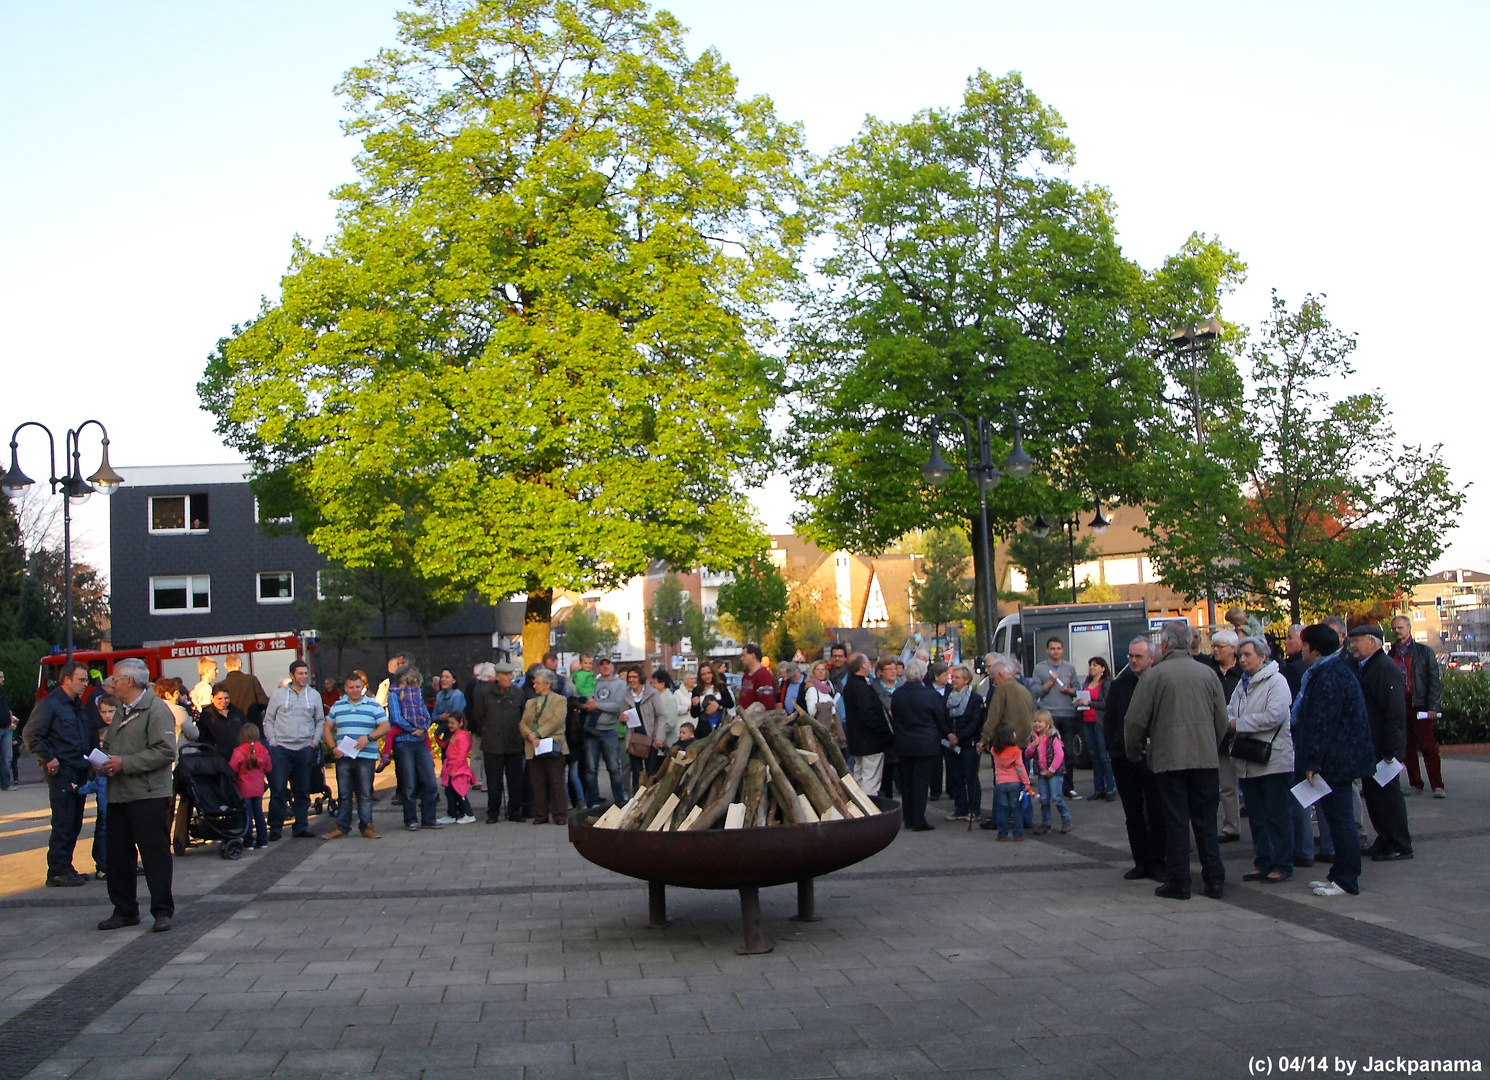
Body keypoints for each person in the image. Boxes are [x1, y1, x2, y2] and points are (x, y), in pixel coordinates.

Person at [1124, 620, 1229, 901]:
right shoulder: (1208, 674)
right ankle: (1214, 878)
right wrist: (1211, 744)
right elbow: (1222, 719)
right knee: (1206, 820)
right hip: (1205, 758)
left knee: (1176, 821)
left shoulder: (1155, 676)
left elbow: (1134, 720)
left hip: (1169, 759)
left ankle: (1179, 880)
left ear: (1166, 644)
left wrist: (1133, 749)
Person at [94, 658, 177, 932]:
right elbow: (112, 746)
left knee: (154, 854)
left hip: (148, 795)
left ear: (129, 681)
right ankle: (125, 910)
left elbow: (166, 752)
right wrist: (104, 762)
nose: (112, 685)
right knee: (117, 855)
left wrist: (124, 763)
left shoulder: (156, 709)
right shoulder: (120, 709)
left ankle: (162, 911)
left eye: (115, 680)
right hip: (118, 794)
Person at [1292, 624, 1374, 897]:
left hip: (1336, 761)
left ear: (1314, 648)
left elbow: (1323, 722)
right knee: (1337, 819)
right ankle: (1338, 873)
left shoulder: (1330, 675)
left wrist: (1313, 761)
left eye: (1304, 644)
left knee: (1341, 821)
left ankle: (1346, 878)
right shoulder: (1328, 671)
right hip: (1336, 758)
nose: (1301, 649)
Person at [1227, 637, 1295, 884]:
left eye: (1247, 654)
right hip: (1247, 759)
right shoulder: (1242, 685)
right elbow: (1230, 710)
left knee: (1277, 814)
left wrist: (1242, 725)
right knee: (1256, 816)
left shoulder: (1276, 682)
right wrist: (1234, 724)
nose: (1242, 660)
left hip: (1273, 759)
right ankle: (1263, 861)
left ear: (1263, 657)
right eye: (1240, 655)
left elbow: (1275, 715)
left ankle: (1283, 863)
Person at [25, 659, 94, 888]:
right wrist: (49, 757)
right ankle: (57, 869)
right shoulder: (51, 704)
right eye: (81, 680)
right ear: (67, 680)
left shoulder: (76, 704)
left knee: (74, 822)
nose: (86, 684)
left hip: (78, 767)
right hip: (62, 769)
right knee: (64, 821)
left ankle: (66, 865)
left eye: (86, 679)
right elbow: (32, 734)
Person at [1348, 624, 1412, 862]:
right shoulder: (1366, 667)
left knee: (1388, 795)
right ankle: (1385, 838)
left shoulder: (1383, 667)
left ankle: (1399, 842)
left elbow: (1394, 711)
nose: (1353, 646)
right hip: (1369, 744)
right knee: (1374, 796)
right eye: (1351, 640)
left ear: (1373, 642)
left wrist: (1391, 749)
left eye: (1358, 640)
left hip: (1383, 747)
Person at [1107, 638, 1166, 882]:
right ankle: (1140, 861)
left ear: (1151, 658)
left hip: (1154, 758)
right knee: (1133, 813)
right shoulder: (1120, 685)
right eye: (1130, 656)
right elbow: (1110, 720)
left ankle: (1159, 862)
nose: (1132, 660)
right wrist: (1115, 748)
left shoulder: (1160, 682)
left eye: (1138, 656)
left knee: (1157, 811)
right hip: (1125, 758)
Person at [321, 671, 389, 840]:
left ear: (363, 687)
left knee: (364, 793)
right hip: (344, 756)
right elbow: (327, 727)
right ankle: (342, 827)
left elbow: (385, 726)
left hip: (366, 756)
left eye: (358, 687)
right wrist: (332, 747)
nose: (354, 690)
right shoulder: (338, 706)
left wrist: (368, 738)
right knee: (344, 793)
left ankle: (367, 826)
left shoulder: (373, 705)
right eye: (351, 687)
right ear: (345, 688)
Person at [262, 660, 324, 841]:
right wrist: (272, 741)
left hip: (304, 746)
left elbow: (320, 719)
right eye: (300, 674)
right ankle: (275, 826)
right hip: (281, 747)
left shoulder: (313, 695)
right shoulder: (279, 695)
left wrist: (314, 741)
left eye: (306, 673)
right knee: (278, 789)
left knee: (303, 789)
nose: (304, 677)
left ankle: (301, 825)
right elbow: (268, 720)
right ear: (292, 675)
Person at [1388, 615, 1444, 798]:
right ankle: (1415, 783)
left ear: (1409, 629)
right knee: (1408, 747)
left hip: (1420, 703)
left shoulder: (1423, 652)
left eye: (1400, 628)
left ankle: (1437, 784)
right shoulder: (1391, 654)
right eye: (1395, 628)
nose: (1397, 631)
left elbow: (1433, 681)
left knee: (1427, 745)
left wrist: (1433, 706)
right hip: (1400, 703)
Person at [889, 658, 945, 832]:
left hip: (904, 743)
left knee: (907, 782)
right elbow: (939, 718)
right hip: (926, 743)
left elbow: (895, 716)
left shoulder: (898, 694)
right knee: (921, 782)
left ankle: (909, 817)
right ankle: (919, 819)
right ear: (923, 674)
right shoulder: (929, 695)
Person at [476, 662, 530, 821]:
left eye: (510, 675)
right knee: (494, 781)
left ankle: (514, 811)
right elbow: (478, 716)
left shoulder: (518, 693)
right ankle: (493, 812)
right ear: (498, 676)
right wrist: (487, 731)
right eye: (505, 675)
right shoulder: (485, 693)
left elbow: (523, 716)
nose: (508, 677)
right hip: (492, 744)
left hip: (514, 743)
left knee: (515, 781)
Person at [390, 668, 442, 832]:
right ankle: (411, 819)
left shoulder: (417, 693)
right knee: (409, 784)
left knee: (430, 782)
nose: (414, 682)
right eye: (411, 679)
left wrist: (424, 728)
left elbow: (427, 714)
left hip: (419, 741)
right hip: (404, 742)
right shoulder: (394, 694)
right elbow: (396, 717)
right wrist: (412, 729)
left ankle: (429, 818)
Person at [74, 694, 119, 879]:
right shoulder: (95, 731)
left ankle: (119, 863)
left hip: (119, 785)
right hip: (103, 786)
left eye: (111, 711)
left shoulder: (121, 728)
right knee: (103, 829)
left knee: (119, 829)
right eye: (103, 712)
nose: (107, 716)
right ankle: (102, 864)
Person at [1031, 638, 1080, 800]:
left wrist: (1069, 691)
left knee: (1067, 753)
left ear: (1062, 650)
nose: (1056, 651)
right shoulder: (1040, 668)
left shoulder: (1069, 668)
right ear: (1047, 650)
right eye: (1052, 648)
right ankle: (1049, 787)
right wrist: (1049, 683)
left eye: (1058, 648)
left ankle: (1068, 787)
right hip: (1048, 716)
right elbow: (1035, 691)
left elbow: (1077, 690)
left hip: (1067, 713)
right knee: (1046, 752)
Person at [1208, 629, 1244, 843]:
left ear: (1232, 649)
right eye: (1213, 646)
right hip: (1218, 736)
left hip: (1242, 733)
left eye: (1219, 646)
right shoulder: (1210, 672)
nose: (1215, 650)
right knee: (1226, 785)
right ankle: (1230, 826)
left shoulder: (1242, 673)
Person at [579, 657, 628, 808]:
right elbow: (585, 699)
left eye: (608, 664)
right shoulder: (594, 682)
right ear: (598, 667)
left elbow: (617, 706)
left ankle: (619, 799)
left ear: (613, 666)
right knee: (591, 768)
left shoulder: (620, 684)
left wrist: (597, 705)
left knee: (614, 767)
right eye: (602, 664)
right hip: (591, 730)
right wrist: (588, 705)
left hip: (609, 730)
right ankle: (593, 800)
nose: (605, 667)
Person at [842, 654, 893, 797]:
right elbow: (867, 714)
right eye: (868, 662)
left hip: (857, 740)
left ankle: (858, 807)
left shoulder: (850, 685)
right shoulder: (861, 687)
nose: (870, 665)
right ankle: (869, 811)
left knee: (859, 775)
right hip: (870, 741)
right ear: (862, 666)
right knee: (871, 780)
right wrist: (883, 731)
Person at [522, 671, 569, 825]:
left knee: (556, 781)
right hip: (534, 746)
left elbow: (557, 720)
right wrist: (530, 735)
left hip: (553, 745)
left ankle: (560, 814)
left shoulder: (559, 700)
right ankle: (540, 814)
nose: (534, 685)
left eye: (537, 683)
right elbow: (522, 722)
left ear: (548, 684)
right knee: (537, 782)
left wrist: (538, 733)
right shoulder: (530, 702)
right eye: (534, 683)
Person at [942, 664, 983, 822]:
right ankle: (960, 808)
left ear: (966, 680)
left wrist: (959, 736)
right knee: (956, 777)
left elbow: (975, 722)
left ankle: (974, 809)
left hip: (968, 744)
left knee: (970, 777)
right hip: (951, 745)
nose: (954, 680)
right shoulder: (948, 697)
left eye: (957, 677)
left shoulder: (975, 699)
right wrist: (949, 734)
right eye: (953, 677)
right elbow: (943, 717)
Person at [987, 720, 1035, 841]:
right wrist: (1026, 782)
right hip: (1014, 783)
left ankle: (1002, 834)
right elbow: (1020, 769)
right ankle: (1017, 834)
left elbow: (990, 747)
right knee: (1016, 809)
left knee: (1002, 809)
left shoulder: (994, 750)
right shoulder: (1016, 751)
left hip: (1000, 783)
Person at [1025, 711, 1071, 834]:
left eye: (1040, 722)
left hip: (1054, 772)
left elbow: (1059, 755)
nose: (1036, 724)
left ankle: (1066, 819)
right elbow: (1028, 755)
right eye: (1035, 721)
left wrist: (1052, 769)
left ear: (1047, 723)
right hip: (1042, 773)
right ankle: (1046, 822)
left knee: (1056, 797)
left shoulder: (1053, 737)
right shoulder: (1033, 738)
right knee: (1044, 799)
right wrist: (1032, 746)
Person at [229, 723, 273, 850]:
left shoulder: (239, 752)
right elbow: (268, 768)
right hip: (258, 788)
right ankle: (263, 840)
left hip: (243, 788)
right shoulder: (263, 750)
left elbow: (231, 768)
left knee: (247, 815)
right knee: (259, 814)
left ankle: (248, 842)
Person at [1078, 657, 1115, 801]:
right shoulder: (1087, 682)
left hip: (1100, 723)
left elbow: (1107, 704)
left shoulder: (1106, 683)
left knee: (1104, 756)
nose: (1092, 668)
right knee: (1094, 756)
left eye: (1095, 665)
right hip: (1087, 722)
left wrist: (1090, 703)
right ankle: (1098, 788)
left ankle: (1110, 788)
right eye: (1090, 665)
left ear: (1103, 668)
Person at [436, 711, 476, 825]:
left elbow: (462, 754)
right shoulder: (454, 735)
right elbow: (445, 745)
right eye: (449, 723)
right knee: (450, 792)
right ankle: (453, 813)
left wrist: (455, 768)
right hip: (451, 766)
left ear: (461, 722)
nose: (450, 725)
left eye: (452, 723)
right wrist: (437, 737)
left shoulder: (463, 736)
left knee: (460, 792)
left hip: (458, 768)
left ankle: (468, 813)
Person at [220, 654, 269, 724]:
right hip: (252, 725)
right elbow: (263, 702)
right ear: (240, 664)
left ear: (225, 665)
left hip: (233, 726)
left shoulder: (222, 685)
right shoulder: (251, 680)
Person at [691, 664, 734, 730]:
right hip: (704, 725)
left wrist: (717, 703)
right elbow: (694, 714)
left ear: (713, 673)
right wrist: (695, 705)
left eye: (709, 673)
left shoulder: (721, 686)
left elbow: (730, 703)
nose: (707, 676)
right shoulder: (696, 690)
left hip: (721, 722)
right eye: (703, 674)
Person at [737, 645, 778, 710]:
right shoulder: (746, 675)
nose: (742, 658)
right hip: (743, 716)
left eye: (744, 655)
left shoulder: (763, 675)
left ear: (753, 655)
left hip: (755, 718)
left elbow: (766, 703)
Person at [1280, 624, 1309, 699]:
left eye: (1290, 638)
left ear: (1302, 641)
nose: (1286, 642)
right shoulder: (1312, 663)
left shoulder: (1292, 669)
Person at [0, 669, 14, 789]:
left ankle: (6, 783)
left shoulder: (3, 693)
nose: (3, 679)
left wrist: (11, 719)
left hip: (6, 728)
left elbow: (7, 708)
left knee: (6, 757)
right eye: (0, 677)